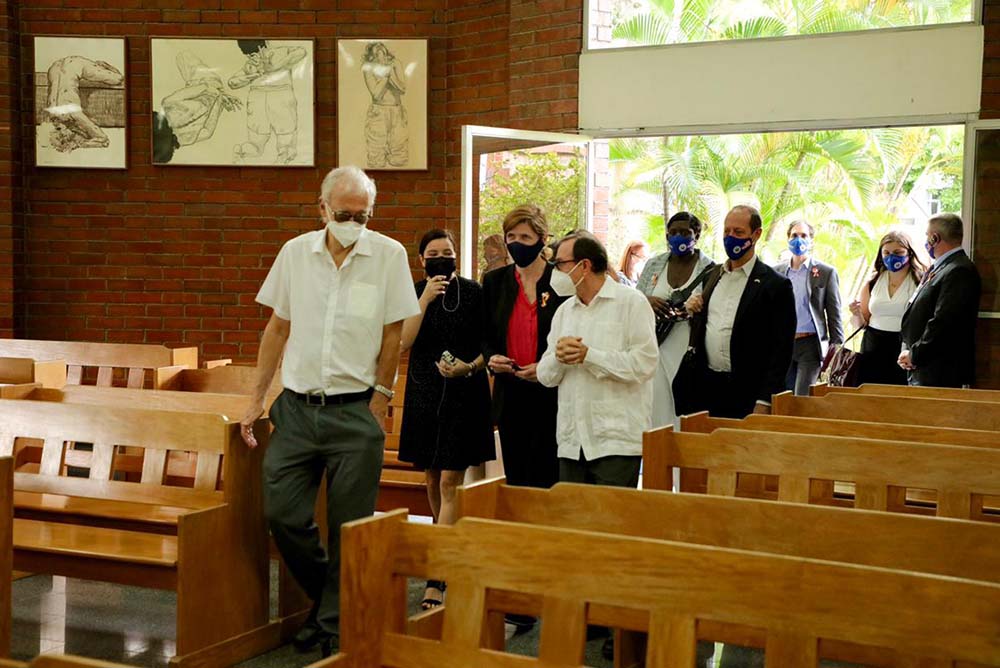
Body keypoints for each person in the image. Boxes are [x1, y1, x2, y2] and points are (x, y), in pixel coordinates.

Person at [239, 166, 420, 658]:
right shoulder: (296, 253)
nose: (354, 223)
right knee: (283, 515)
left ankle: (336, 627)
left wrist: (381, 400)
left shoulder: (388, 255)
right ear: (321, 209)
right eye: (344, 214)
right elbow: (277, 329)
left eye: (363, 215)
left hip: (354, 411)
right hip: (296, 408)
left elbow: (392, 334)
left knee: (350, 527)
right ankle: (330, 605)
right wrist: (256, 398)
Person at [398, 229, 494, 609]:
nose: (441, 257)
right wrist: (424, 297)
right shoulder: (411, 292)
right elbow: (404, 341)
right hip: (424, 393)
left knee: (452, 480)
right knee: (432, 477)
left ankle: (437, 574)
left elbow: (490, 343)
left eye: (448, 252)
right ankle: (448, 546)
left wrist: (469, 367)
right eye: (434, 253)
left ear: (457, 256)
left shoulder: (473, 292)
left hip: (464, 391)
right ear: (422, 259)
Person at [537, 231, 657, 486]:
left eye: (559, 264)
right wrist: (558, 357)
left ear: (584, 265)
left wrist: (589, 356)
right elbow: (545, 376)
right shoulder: (564, 312)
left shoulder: (631, 303)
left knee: (611, 522)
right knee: (571, 523)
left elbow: (645, 364)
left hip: (616, 442)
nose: (554, 271)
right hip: (571, 442)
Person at [677, 205, 796, 419]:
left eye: (738, 232)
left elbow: (781, 350)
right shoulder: (712, 275)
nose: (731, 238)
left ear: (756, 234)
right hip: (707, 388)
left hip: (747, 393)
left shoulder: (775, 286)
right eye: (727, 231)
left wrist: (765, 400)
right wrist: (692, 309)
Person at [482, 204, 567, 490]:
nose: (517, 244)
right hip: (512, 388)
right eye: (511, 237)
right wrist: (492, 356)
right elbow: (485, 333)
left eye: (525, 238)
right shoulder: (495, 281)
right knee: (517, 477)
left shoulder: (560, 281)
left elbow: (571, 331)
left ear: (542, 240)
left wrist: (545, 367)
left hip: (552, 390)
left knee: (549, 473)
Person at [636, 212, 716, 428]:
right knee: (655, 407)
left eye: (684, 232)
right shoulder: (654, 265)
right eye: (673, 233)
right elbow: (634, 300)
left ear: (696, 235)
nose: (678, 237)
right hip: (655, 344)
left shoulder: (710, 269)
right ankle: (657, 456)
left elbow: (713, 310)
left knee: (684, 408)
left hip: (688, 347)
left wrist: (693, 309)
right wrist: (648, 301)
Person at [899, 213, 982, 387]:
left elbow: (943, 322)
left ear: (934, 238)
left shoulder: (959, 270)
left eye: (926, 235)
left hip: (940, 371)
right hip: (923, 368)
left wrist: (915, 355)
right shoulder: (940, 268)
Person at [773, 221, 844, 395]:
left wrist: (837, 348)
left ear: (811, 240)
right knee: (782, 396)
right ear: (788, 239)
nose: (798, 240)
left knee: (801, 397)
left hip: (810, 345)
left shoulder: (825, 272)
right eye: (794, 235)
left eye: (803, 235)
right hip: (784, 343)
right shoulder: (777, 271)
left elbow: (834, 313)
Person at [850, 231, 925, 386]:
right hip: (873, 346)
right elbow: (863, 322)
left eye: (898, 252)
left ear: (909, 253)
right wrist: (856, 313)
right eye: (886, 253)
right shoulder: (874, 281)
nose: (891, 257)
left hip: (902, 346)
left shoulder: (919, 281)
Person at [153, 51, 242, 164]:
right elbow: (207, 132)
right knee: (182, 55)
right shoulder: (168, 104)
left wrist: (220, 97)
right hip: (209, 82)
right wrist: (220, 97)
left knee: (182, 56)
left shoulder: (169, 105)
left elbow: (204, 88)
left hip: (206, 86)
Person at [228, 39, 307, 164]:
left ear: (265, 46)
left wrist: (276, 66)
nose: (252, 58)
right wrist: (253, 75)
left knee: (284, 137)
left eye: (254, 54)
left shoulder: (280, 53)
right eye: (249, 56)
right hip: (260, 98)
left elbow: (302, 51)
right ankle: (242, 152)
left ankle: (282, 157)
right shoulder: (251, 66)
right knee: (257, 143)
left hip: (278, 96)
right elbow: (232, 82)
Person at [44, 56, 124, 152]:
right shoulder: (53, 115)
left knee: (118, 79)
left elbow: (103, 140)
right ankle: (103, 65)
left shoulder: (73, 115)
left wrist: (79, 144)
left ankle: (104, 64)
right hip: (58, 65)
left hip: (68, 66)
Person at [362, 41, 409, 168]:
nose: (381, 58)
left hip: (397, 110)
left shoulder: (396, 64)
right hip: (378, 112)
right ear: (372, 57)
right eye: (377, 55)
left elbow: (402, 89)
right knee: (376, 156)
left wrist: (391, 73)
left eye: (383, 53)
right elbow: (376, 95)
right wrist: (385, 77)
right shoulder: (368, 69)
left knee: (399, 153)